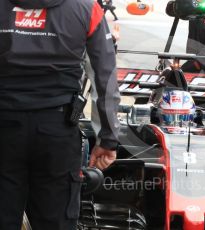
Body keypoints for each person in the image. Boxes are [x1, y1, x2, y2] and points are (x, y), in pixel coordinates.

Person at [0, 0, 120, 229]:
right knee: (56, 220)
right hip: (57, 130)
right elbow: (104, 77)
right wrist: (107, 139)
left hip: (5, 126)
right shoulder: (86, 7)